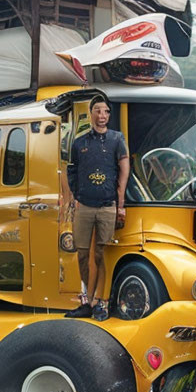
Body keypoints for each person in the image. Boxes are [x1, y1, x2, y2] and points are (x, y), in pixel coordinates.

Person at [65, 96, 129, 321]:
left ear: (109, 116)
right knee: (82, 252)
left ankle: (99, 302)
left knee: (103, 253)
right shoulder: (80, 143)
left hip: (107, 206)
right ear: (91, 113)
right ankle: (87, 299)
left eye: (106, 112)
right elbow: (71, 170)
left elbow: (123, 171)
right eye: (98, 111)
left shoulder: (116, 139)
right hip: (84, 206)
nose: (102, 116)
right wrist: (76, 195)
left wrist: (120, 205)